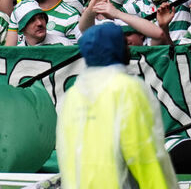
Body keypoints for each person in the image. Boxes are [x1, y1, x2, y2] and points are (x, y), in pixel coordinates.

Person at [56, 23, 177, 189]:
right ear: (116, 47)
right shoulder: (127, 88)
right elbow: (143, 152)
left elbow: (67, 155)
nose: (127, 45)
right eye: (123, 41)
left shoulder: (73, 94)